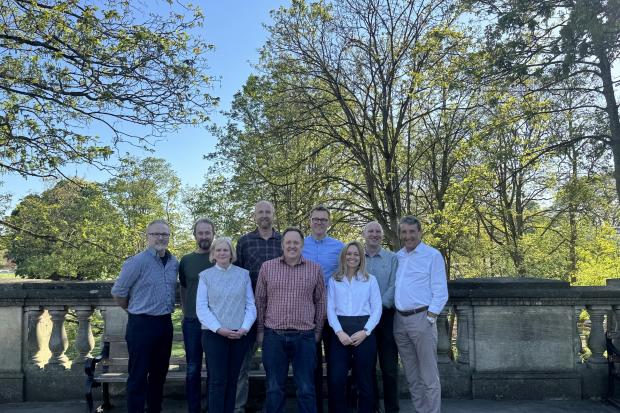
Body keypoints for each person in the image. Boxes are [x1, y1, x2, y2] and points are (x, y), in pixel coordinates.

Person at [256, 227, 327, 413]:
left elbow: (321, 302)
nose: (292, 246)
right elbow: (260, 301)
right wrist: (260, 331)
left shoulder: (315, 269)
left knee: (306, 388)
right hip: (273, 336)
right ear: (282, 245)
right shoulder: (267, 267)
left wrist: (317, 332)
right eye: (288, 242)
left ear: (302, 245)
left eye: (296, 242)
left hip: (304, 337)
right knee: (274, 388)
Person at [111, 219, 178, 413]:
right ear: (147, 237)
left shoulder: (174, 262)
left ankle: (155, 409)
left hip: (165, 324)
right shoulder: (137, 262)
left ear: (169, 237)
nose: (160, 238)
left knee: (159, 374)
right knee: (138, 375)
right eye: (156, 234)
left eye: (164, 234)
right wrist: (133, 310)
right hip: (141, 324)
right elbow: (118, 292)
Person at [393, 216, 449, 413]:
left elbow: (441, 291)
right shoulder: (397, 257)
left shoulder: (432, 255)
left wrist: (430, 318)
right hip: (399, 321)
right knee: (411, 375)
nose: (408, 236)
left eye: (412, 231)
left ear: (420, 232)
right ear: (400, 234)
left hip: (422, 319)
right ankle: (421, 410)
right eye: (404, 232)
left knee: (428, 375)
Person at [196, 237, 256, 413]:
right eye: (218, 250)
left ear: (231, 253)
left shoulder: (243, 274)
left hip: (239, 335)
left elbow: (250, 305)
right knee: (217, 381)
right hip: (214, 335)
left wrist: (244, 328)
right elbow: (201, 307)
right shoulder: (205, 276)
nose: (222, 253)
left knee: (233, 380)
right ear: (213, 254)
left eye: (225, 250)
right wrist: (219, 329)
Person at [234, 200, 282, 413]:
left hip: (276, 312)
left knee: (275, 367)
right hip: (249, 313)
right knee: (241, 365)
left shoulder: (283, 241)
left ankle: (273, 407)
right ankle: (238, 407)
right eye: (260, 212)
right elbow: (236, 276)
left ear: (273, 215)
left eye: (267, 212)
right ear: (254, 216)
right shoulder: (244, 242)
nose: (264, 215)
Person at [327, 241, 382, 413]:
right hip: (340, 331)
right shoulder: (334, 280)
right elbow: (330, 308)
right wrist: (339, 332)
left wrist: (366, 331)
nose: (352, 257)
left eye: (356, 254)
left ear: (361, 258)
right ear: (343, 257)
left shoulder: (370, 280)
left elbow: (377, 309)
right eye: (349, 254)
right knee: (337, 379)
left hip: (364, 330)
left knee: (365, 380)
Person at [301, 205, 344, 412]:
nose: (319, 222)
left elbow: (346, 276)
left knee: (336, 367)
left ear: (329, 222)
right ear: (310, 221)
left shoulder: (339, 247)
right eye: (316, 219)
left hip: (333, 313)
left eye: (323, 219)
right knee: (312, 366)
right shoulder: (300, 245)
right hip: (307, 313)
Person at [362, 222, 399, 413]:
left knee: (389, 367)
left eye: (378, 231)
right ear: (364, 234)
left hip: (386, 316)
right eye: (371, 231)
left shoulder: (392, 258)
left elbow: (395, 285)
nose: (374, 234)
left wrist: (379, 306)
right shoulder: (356, 257)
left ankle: (392, 408)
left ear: (382, 235)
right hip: (364, 318)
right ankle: (373, 407)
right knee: (367, 367)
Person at [179, 218, 215, 413]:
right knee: (193, 368)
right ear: (194, 235)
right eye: (200, 233)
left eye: (207, 233)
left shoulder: (221, 257)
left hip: (215, 323)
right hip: (192, 322)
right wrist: (186, 312)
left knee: (214, 368)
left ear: (213, 234)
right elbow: (184, 289)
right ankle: (194, 408)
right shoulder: (186, 260)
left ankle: (211, 407)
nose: (204, 236)